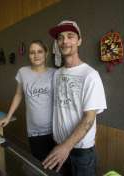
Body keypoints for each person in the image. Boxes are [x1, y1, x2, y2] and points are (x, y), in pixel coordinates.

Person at [42, 20, 107, 176]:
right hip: (58, 148)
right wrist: (61, 146)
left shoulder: (90, 75)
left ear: (79, 40)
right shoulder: (57, 74)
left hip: (81, 153)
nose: (64, 41)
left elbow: (89, 119)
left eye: (70, 36)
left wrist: (66, 146)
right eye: (60, 38)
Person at [0, 40, 56, 161]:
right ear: (29, 55)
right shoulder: (23, 72)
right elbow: (18, 95)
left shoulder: (55, 73)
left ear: (46, 54)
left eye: (40, 51)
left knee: (53, 166)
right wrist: (8, 116)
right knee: (39, 164)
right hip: (34, 131)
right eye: (32, 52)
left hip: (54, 130)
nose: (36, 55)